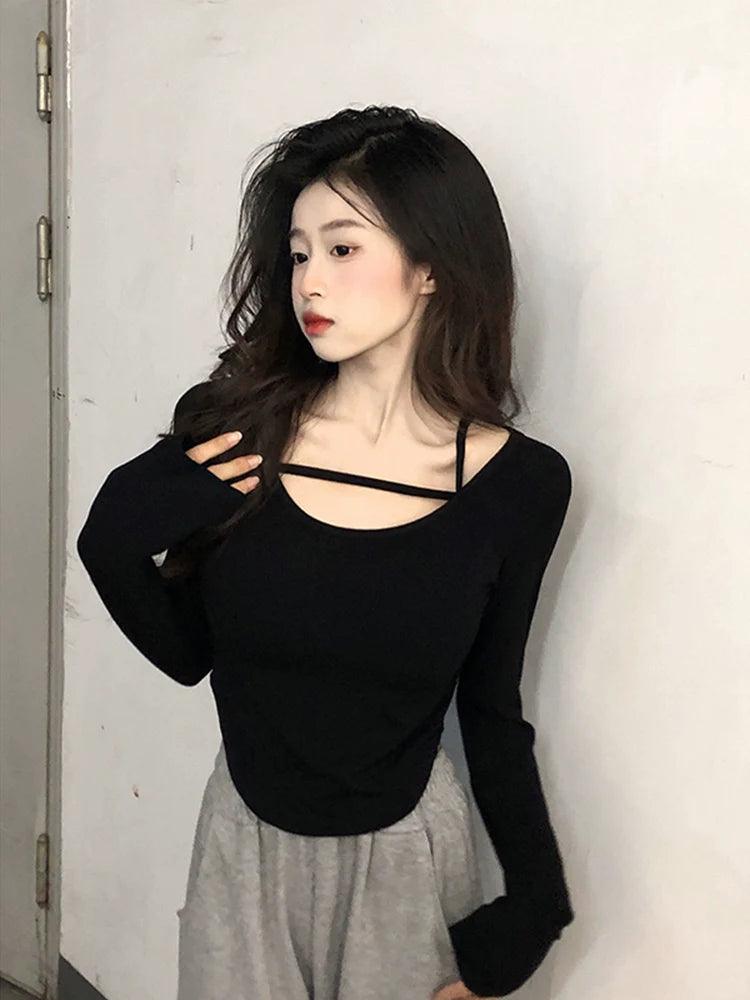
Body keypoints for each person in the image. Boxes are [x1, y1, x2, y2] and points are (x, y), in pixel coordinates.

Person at [76, 104, 575, 1000]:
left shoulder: (521, 485)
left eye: (343, 248)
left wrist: (537, 907)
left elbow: (491, 707)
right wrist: (114, 530)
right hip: (243, 849)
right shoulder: (240, 435)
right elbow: (189, 654)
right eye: (300, 252)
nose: (310, 280)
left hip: (408, 863)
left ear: (431, 266)